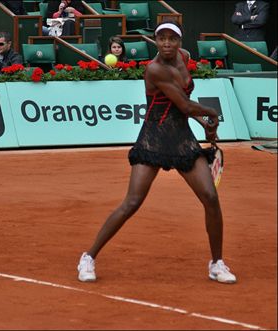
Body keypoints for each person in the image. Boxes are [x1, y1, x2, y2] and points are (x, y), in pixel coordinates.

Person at [77, 21, 237, 285]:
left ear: (179, 42)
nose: (166, 44)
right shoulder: (154, 69)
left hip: (182, 139)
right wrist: (211, 114)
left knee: (210, 196)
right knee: (132, 202)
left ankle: (217, 263)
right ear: (155, 41)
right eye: (161, 39)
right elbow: (184, 105)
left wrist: (205, 126)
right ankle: (88, 257)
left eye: (171, 39)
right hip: (153, 139)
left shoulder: (184, 59)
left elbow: (181, 110)